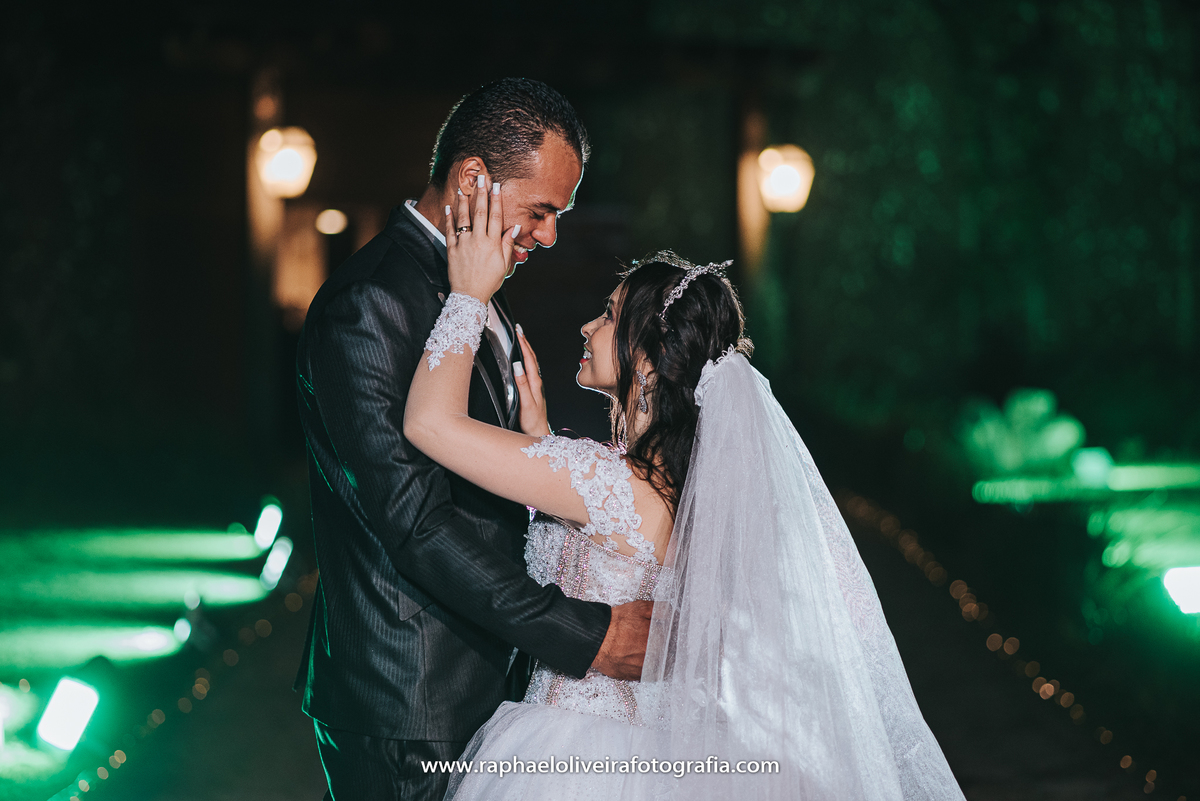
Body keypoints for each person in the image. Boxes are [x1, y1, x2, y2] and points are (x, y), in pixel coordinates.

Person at [402, 181, 968, 799]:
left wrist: (466, 296)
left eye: (611, 315)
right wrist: (539, 442)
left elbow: (430, 425)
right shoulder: (675, 485)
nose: (589, 326)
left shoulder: (602, 481)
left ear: (647, 361)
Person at [294, 78, 653, 801]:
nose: (550, 235)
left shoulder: (475, 280)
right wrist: (585, 634)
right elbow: (416, 521)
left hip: (488, 685)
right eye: (541, 210)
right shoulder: (370, 305)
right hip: (411, 701)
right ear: (471, 178)